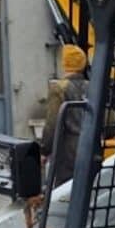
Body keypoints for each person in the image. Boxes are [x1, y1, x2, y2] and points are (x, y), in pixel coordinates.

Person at [40, 44, 89, 184]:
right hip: (92, 149)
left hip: (68, 154)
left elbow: (52, 124)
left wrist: (44, 151)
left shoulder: (59, 89)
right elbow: (110, 122)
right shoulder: (94, 87)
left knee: (65, 192)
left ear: (65, 63)